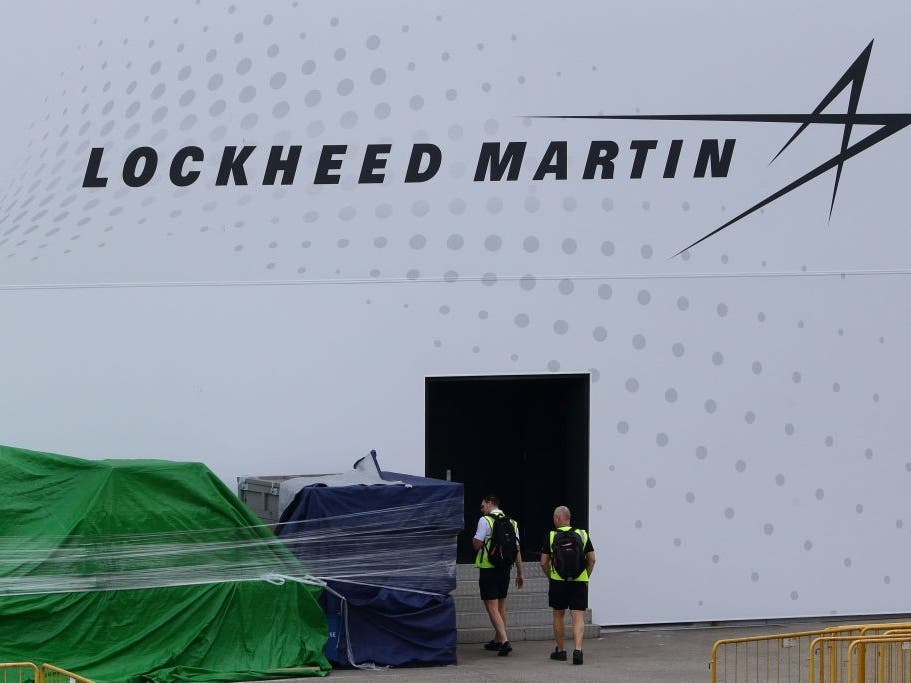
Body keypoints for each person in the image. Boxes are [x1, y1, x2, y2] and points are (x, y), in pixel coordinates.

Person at [540, 505, 596, 665]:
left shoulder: (551, 536)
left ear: (558, 518)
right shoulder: (582, 534)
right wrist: (585, 576)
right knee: (577, 616)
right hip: (579, 581)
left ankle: (561, 650)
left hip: (558, 581)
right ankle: (578, 650)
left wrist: (551, 576)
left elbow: (543, 562)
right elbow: (592, 559)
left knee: (558, 615)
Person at [472, 494, 524, 656]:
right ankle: (497, 640)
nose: (482, 509)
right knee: (501, 605)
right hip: (505, 568)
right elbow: (517, 550)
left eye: (482, 506)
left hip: (489, 568)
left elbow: (477, 544)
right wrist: (520, 573)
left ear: (489, 503)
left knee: (491, 607)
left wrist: (474, 541)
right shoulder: (512, 522)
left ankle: (505, 640)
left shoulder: (485, 520)